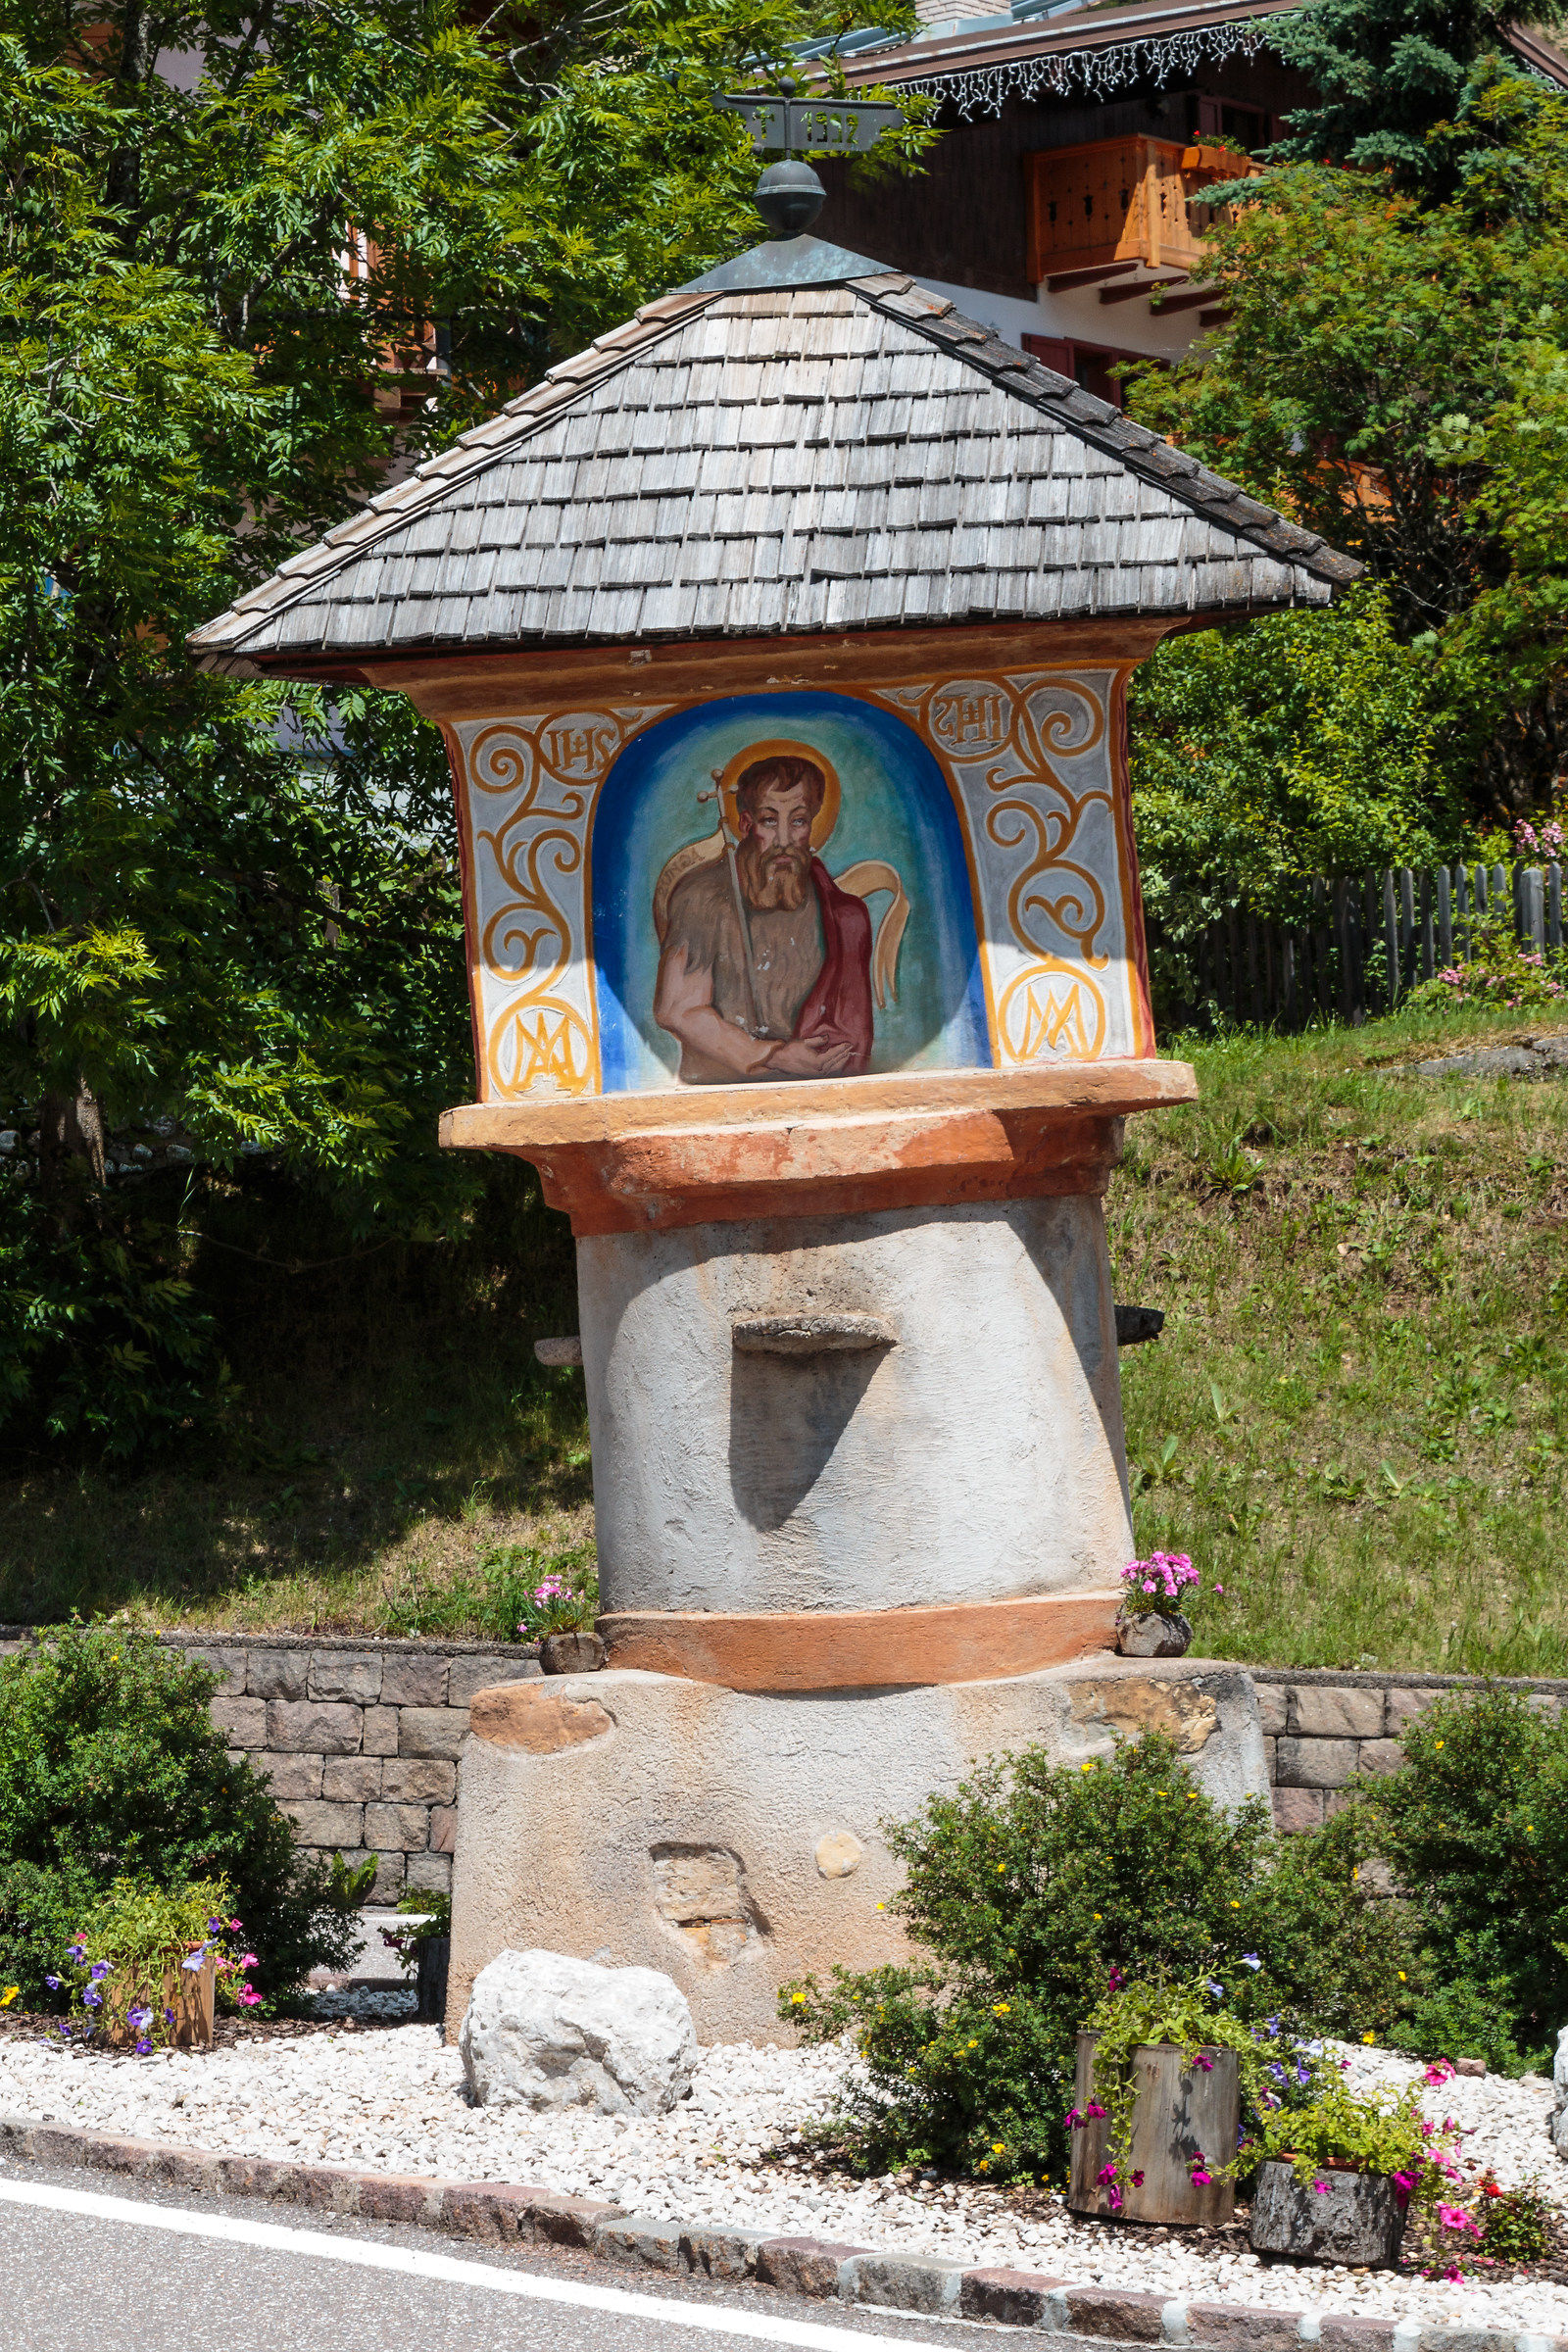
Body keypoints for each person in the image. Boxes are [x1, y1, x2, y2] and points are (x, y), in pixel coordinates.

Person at [654, 754, 874, 1084]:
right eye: (770, 821)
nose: (784, 840)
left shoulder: (842, 914)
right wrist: (766, 1054)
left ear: (812, 825)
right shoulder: (702, 897)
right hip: (721, 1094)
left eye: (798, 821)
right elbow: (677, 1009)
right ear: (746, 825)